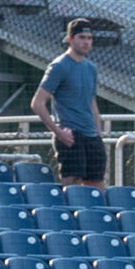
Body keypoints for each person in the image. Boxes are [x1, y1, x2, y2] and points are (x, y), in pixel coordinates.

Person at [32, 19, 106, 188]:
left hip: (91, 135)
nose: (86, 42)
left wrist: (98, 134)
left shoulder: (91, 68)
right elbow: (37, 103)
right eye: (82, 37)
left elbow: (91, 102)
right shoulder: (59, 66)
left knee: (97, 187)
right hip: (71, 135)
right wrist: (59, 132)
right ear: (70, 39)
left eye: (89, 38)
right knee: (72, 187)